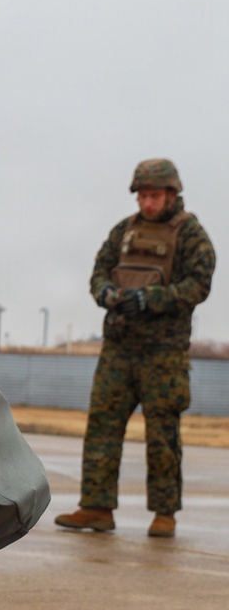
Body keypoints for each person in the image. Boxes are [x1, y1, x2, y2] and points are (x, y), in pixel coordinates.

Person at [56, 159, 215, 538]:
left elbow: (199, 285)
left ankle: (164, 514)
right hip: (119, 347)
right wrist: (106, 293)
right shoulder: (124, 231)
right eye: (142, 195)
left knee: (163, 433)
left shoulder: (191, 234)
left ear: (172, 194)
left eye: (154, 195)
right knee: (102, 427)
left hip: (164, 353)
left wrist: (150, 299)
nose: (147, 203)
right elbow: (98, 271)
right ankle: (96, 507)